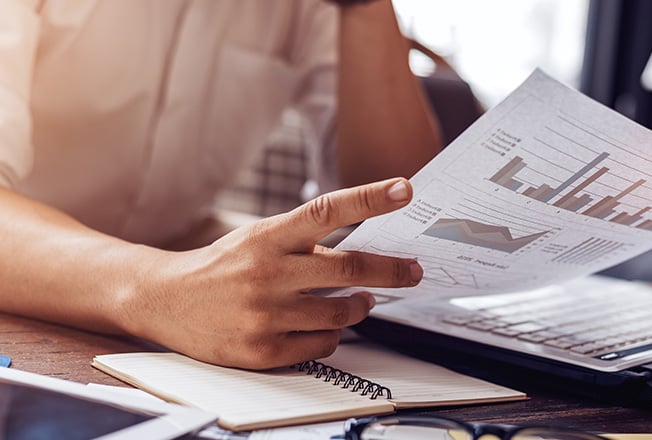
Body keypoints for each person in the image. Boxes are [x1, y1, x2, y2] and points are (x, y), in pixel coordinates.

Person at [0, 0, 442, 369]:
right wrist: (157, 290)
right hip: (29, 280)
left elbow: (402, 203)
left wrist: (365, 8)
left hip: (184, 260)